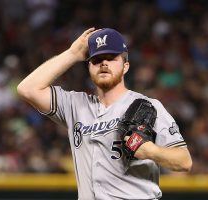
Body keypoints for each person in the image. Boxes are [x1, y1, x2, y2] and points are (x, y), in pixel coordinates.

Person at [17, 27, 192, 200]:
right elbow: (27, 89)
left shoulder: (148, 106)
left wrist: (150, 151)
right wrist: (73, 54)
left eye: (111, 57)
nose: (103, 63)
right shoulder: (75, 106)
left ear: (125, 66)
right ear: (89, 66)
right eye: (97, 59)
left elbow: (184, 161)